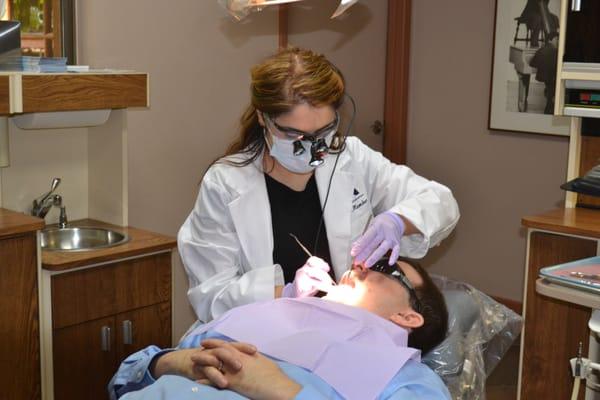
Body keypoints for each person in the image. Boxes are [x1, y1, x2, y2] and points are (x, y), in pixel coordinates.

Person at [178, 47, 460, 322]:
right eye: (295, 135)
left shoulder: (352, 158)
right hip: (262, 333)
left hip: (338, 326)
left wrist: (398, 221)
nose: (314, 148)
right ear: (263, 117)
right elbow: (211, 293)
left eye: (324, 131)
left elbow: (440, 201)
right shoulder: (226, 183)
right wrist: (286, 293)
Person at [109, 258, 450, 399]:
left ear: (408, 318)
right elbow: (120, 383)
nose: (360, 264)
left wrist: (284, 391)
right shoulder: (266, 319)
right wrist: (173, 362)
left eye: (383, 267)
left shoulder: (408, 380)